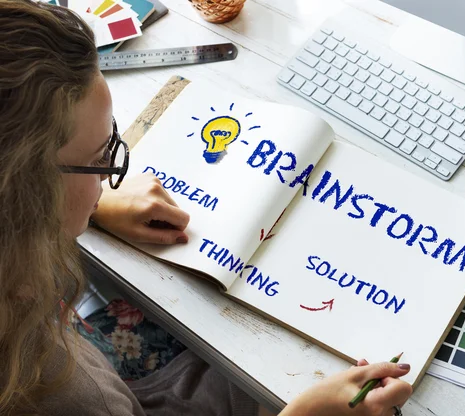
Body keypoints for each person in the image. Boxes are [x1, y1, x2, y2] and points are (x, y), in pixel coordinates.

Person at [0, 1, 413, 415]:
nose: (111, 174)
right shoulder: (73, 400)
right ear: (28, 197)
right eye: (97, 158)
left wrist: (93, 203)